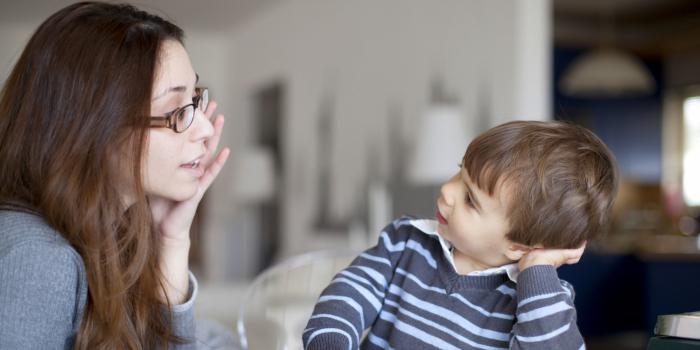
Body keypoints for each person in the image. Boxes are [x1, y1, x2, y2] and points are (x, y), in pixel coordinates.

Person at [0, 2, 229, 349]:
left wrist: (172, 240)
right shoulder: (39, 259)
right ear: (93, 128)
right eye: (175, 111)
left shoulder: (111, 235)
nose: (205, 128)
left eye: (195, 101)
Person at [303, 120, 618, 349]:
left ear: (518, 246)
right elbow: (347, 295)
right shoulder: (406, 242)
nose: (447, 190)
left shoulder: (536, 304)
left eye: (471, 200)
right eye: (460, 171)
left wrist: (536, 268)